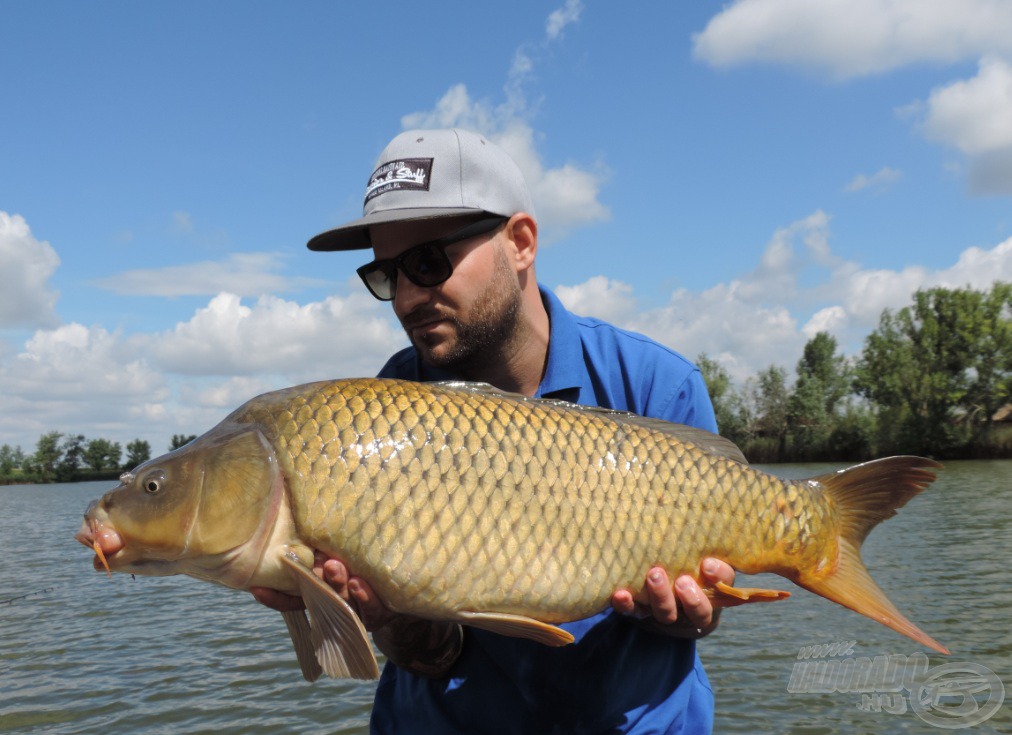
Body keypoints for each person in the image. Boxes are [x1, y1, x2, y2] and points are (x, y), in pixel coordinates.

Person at [252, 128, 735, 733]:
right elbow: (433, 654)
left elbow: (706, 607)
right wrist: (384, 617)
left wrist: (690, 614)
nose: (405, 297)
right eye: (385, 275)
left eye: (427, 263)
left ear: (521, 242)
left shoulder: (657, 386)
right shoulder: (381, 413)